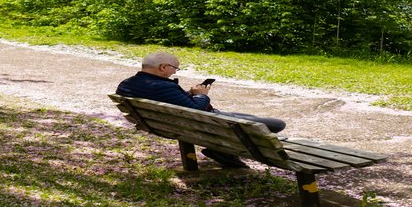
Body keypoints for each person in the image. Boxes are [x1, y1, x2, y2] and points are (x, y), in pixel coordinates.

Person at [116, 51, 286, 168]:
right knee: (276, 124)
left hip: (173, 124)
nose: (174, 72)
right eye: (175, 68)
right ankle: (219, 149)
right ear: (163, 67)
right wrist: (202, 95)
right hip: (208, 125)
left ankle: (221, 150)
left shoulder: (127, 84)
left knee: (249, 116)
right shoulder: (163, 86)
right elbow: (197, 110)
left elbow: (169, 100)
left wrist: (189, 93)